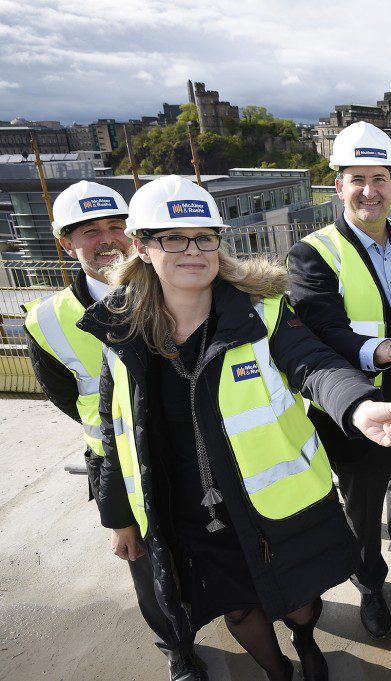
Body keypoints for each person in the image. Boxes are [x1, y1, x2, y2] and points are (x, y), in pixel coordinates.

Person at [79, 176, 391, 681]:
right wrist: (118, 516)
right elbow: (114, 429)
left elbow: (315, 364)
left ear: (220, 242)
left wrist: (360, 407)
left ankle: (306, 645)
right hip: (187, 510)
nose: (193, 250)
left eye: (206, 237)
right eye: (174, 238)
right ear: (144, 247)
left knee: (300, 603)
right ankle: (277, 671)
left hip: (271, 504)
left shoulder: (260, 311)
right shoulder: (121, 330)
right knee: (239, 607)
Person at [22, 180, 205, 681]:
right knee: (146, 566)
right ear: (66, 243)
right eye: (88, 232)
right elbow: (64, 394)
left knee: (204, 547)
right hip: (118, 462)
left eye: (113, 227)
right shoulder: (48, 320)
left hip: (191, 449)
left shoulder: (174, 283)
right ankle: (177, 650)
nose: (105, 240)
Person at [287, 121, 391, 640]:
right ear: (338, 186)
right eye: (356, 179)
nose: (368, 191)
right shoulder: (314, 252)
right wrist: (381, 350)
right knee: (361, 499)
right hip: (352, 398)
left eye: (378, 178)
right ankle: (370, 582)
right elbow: (321, 329)